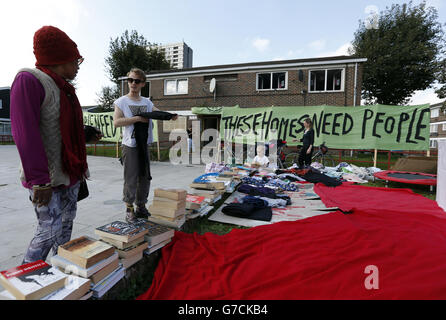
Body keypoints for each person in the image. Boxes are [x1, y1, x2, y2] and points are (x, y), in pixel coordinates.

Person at [10, 26, 102, 264]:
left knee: (64, 232)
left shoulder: (65, 88)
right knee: (48, 231)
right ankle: (23, 283)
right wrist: (39, 180)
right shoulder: (28, 80)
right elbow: (25, 133)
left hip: (70, 174)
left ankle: (59, 276)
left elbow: (61, 129)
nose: (78, 66)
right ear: (60, 58)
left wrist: (86, 136)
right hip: (46, 179)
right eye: (75, 60)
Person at [113, 68, 178, 223]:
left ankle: (141, 206)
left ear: (143, 83)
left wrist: (169, 116)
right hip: (130, 145)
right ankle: (129, 209)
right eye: (130, 80)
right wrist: (137, 119)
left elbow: (156, 112)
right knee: (131, 178)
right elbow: (116, 122)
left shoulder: (147, 102)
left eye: (136, 81)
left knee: (145, 177)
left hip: (145, 144)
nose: (132, 84)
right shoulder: (122, 101)